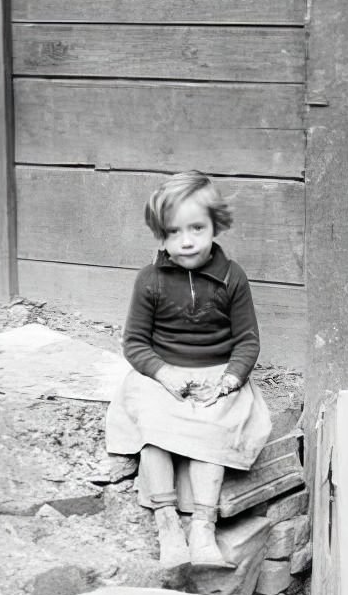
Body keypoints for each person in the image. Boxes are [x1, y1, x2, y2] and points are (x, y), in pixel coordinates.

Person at [105, 170, 272, 569]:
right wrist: (163, 373)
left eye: (197, 227)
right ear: (160, 237)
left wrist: (231, 380)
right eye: (173, 232)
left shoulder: (232, 278)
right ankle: (167, 526)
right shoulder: (150, 281)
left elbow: (247, 339)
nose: (187, 240)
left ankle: (202, 527)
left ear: (215, 225)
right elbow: (135, 344)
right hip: (163, 375)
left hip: (217, 376)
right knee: (153, 431)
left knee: (214, 430)